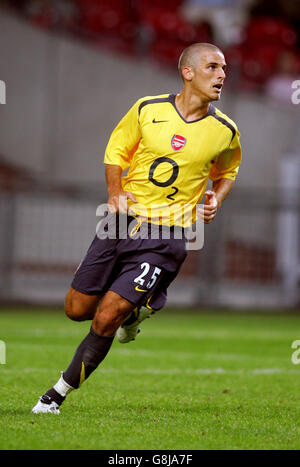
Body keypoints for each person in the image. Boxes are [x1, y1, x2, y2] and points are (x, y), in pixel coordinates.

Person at [32, 42, 242, 415]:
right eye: (213, 67)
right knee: (76, 308)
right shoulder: (147, 109)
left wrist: (216, 197)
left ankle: (55, 395)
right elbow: (116, 151)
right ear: (188, 72)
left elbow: (227, 171)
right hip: (121, 223)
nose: (222, 75)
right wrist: (115, 192)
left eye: (224, 68)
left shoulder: (224, 130)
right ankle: (136, 310)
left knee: (106, 315)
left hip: (169, 235)